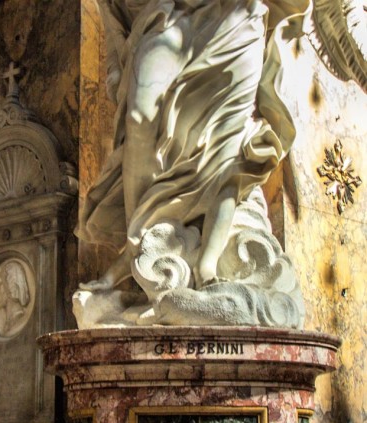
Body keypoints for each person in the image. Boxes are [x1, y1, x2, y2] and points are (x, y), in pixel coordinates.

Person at [77, 0, 310, 290]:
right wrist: (114, 58)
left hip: (236, 20)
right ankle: (139, 244)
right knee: (138, 119)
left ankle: (205, 265)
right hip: (172, 16)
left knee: (228, 154)